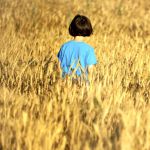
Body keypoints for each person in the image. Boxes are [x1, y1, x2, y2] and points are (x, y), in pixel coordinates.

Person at [57, 14, 97, 85]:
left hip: (65, 84)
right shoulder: (89, 49)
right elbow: (91, 71)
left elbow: (59, 67)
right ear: (87, 28)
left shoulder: (64, 46)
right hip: (82, 84)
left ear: (72, 28)